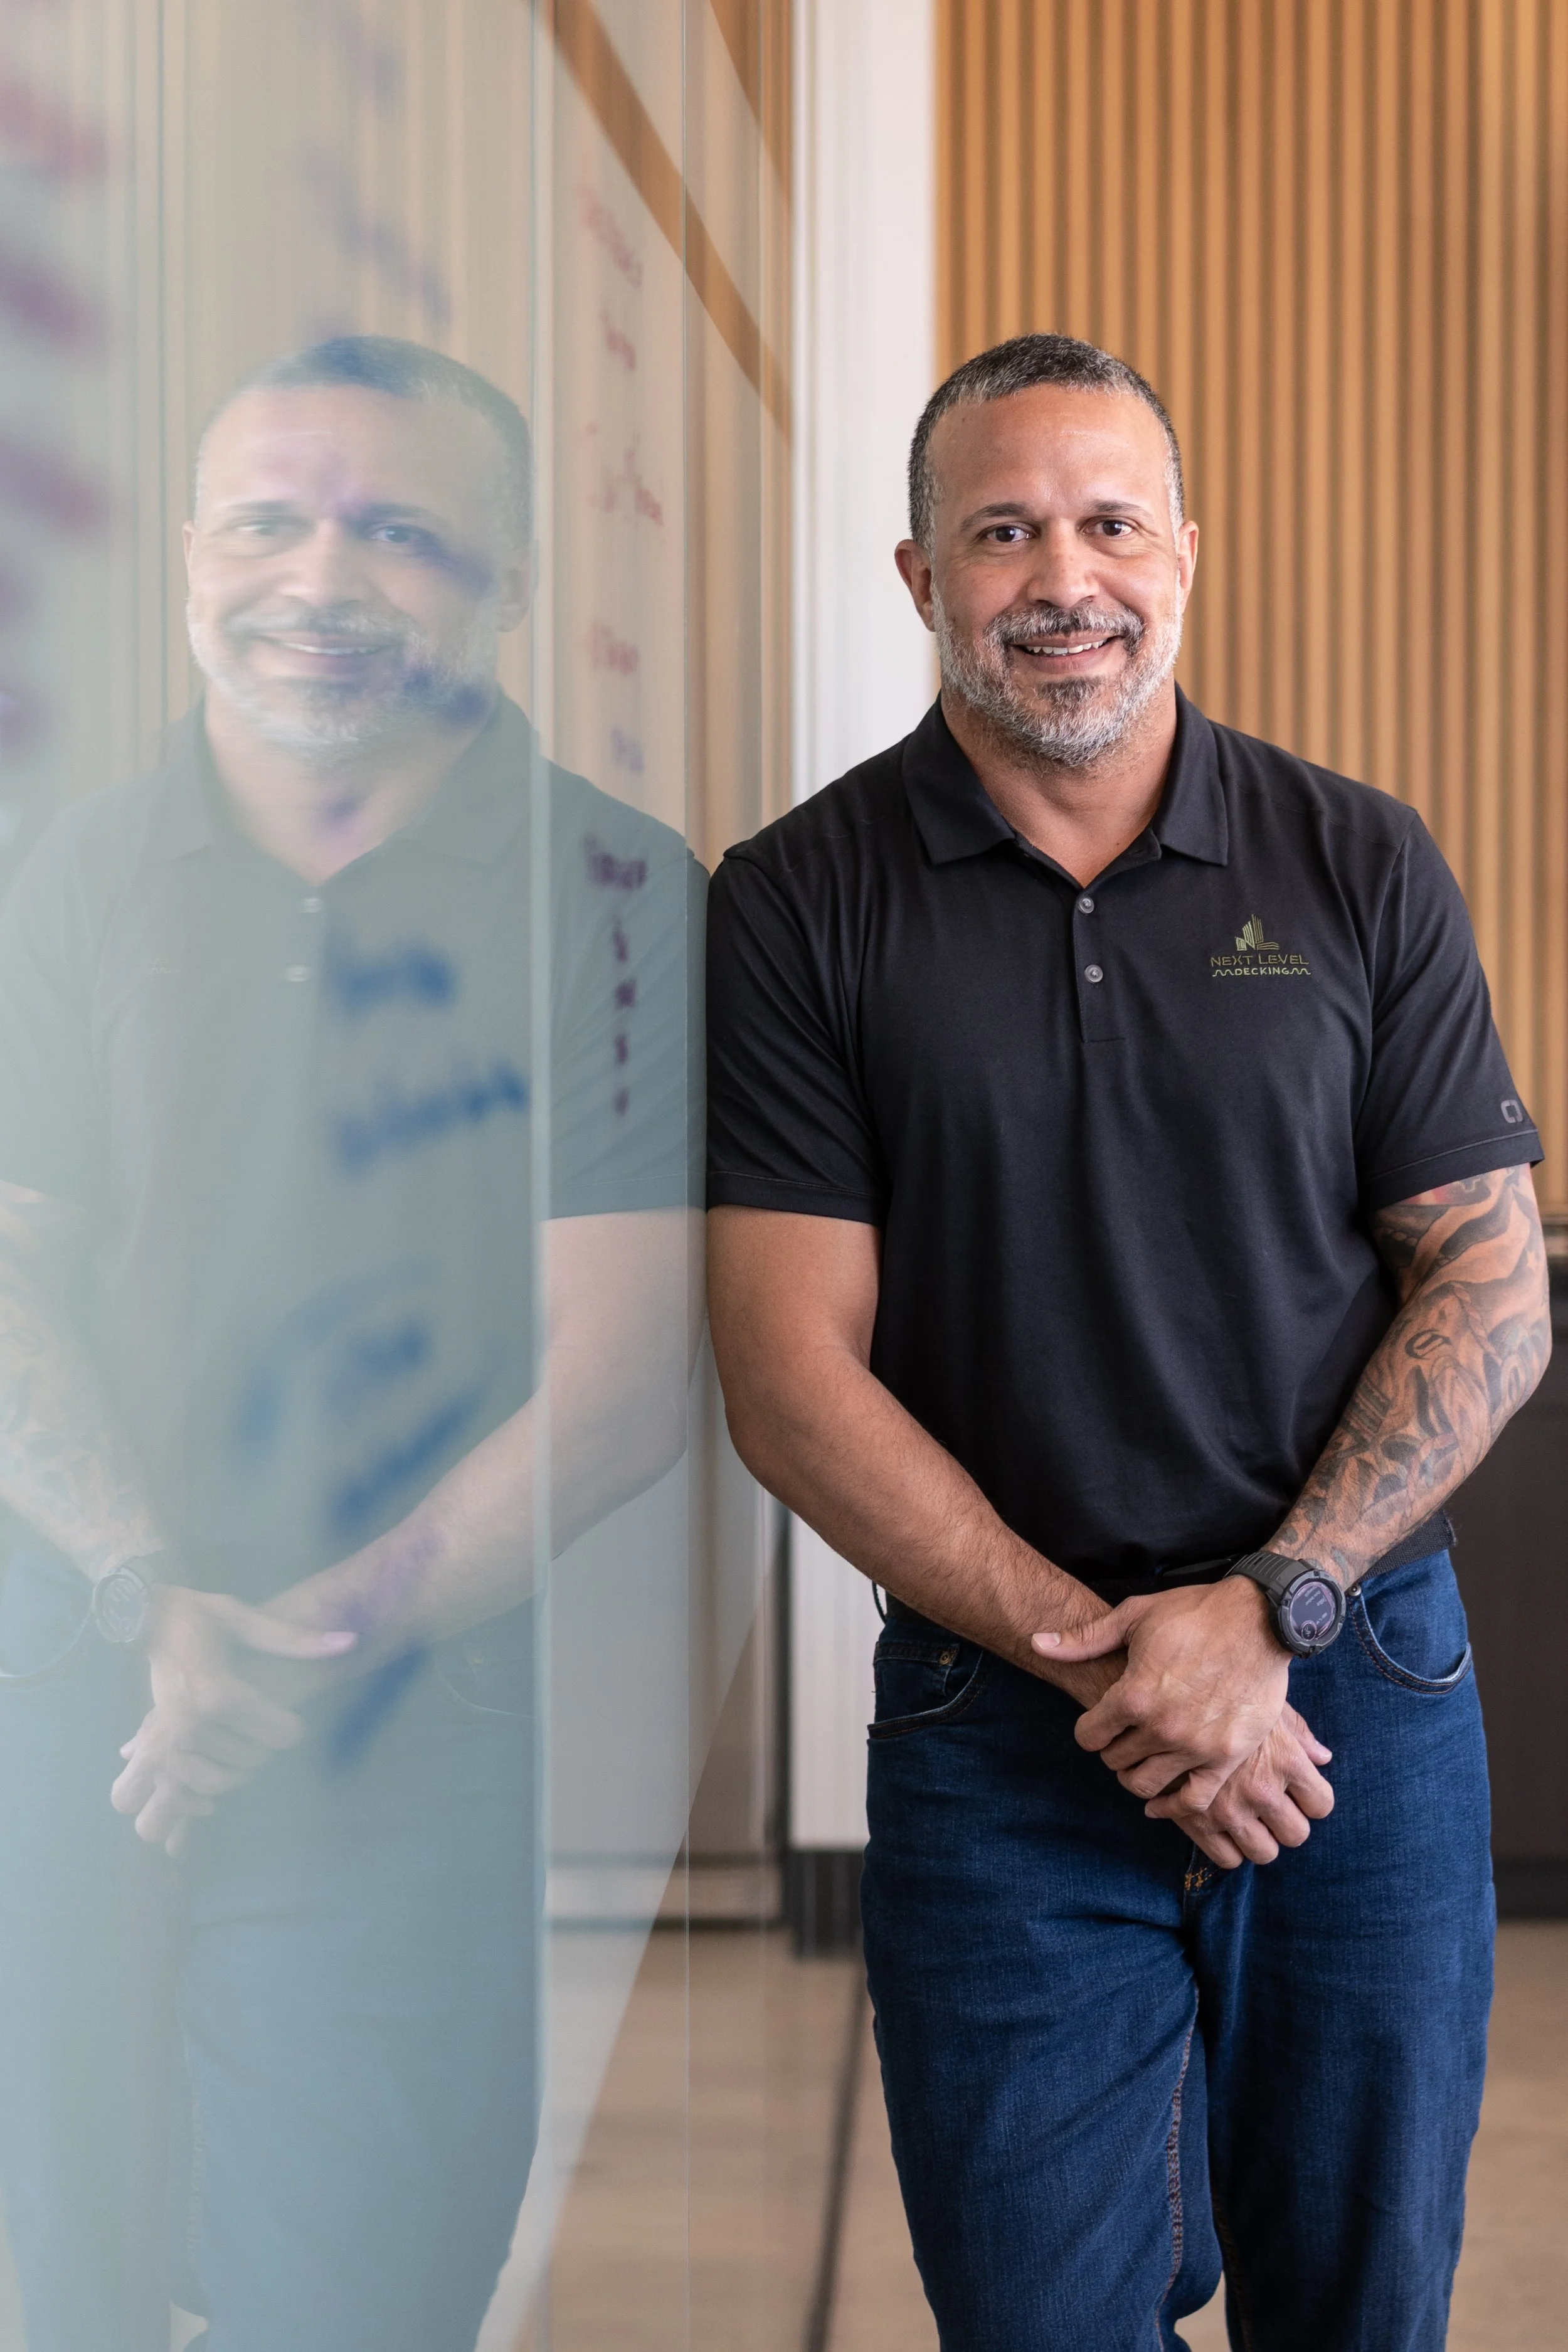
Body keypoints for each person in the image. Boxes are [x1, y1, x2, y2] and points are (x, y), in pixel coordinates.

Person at [705, 332, 1551, 2352]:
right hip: (1002, 1728)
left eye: (1105, 520)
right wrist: (1115, 1660)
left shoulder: (1359, 859)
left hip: (1355, 1693)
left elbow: (1490, 1290)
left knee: (1360, 2306)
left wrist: (1263, 1612)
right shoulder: (799, 900)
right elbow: (784, 1371)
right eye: (999, 530)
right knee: (1036, 2319)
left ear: (1185, 551)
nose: (1059, 575)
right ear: (918, 579)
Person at [0, 336, 699, 2351]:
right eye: (268, 520)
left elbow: (626, 1373)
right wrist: (155, 1598)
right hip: (77, 1698)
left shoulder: (622, 895)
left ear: (499, 585)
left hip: (408, 1725)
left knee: (357, 2297)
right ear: (190, 560)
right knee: (83, 2296)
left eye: (398, 532)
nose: (322, 574)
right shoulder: (79, 867)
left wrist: (284, 1643)